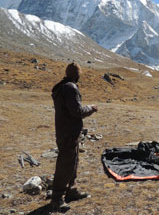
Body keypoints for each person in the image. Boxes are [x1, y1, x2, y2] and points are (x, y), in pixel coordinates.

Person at [50, 63, 98, 212]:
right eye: (79, 73)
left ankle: (70, 190)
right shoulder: (70, 88)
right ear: (76, 74)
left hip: (66, 131)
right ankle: (57, 198)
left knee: (72, 161)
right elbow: (77, 111)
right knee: (65, 164)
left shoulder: (61, 87)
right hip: (68, 133)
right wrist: (91, 108)